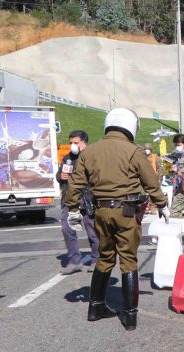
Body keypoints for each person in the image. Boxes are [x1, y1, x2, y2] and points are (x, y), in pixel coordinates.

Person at [66, 108, 168, 331]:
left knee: (104, 257)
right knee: (128, 260)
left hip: (100, 212)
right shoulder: (134, 151)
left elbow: (75, 182)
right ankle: (130, 316)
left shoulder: (90, 151)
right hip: (126, 211)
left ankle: (95, 307)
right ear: (130, 126)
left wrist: (73, 209)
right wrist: (161, 203)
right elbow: (150, 181)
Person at [56, 131, 99, 275]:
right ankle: (74, 261)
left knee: (92, 231)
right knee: (67, 229)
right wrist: (61, 176)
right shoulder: (68, 158)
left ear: (83, 142)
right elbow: (59, 175)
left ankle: (96, 260)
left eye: (75, 142)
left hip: (87, 200)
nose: (72, 145)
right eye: (71, 142)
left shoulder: (92, 156)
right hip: (70, 200)